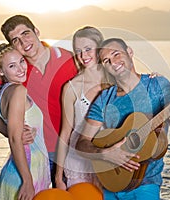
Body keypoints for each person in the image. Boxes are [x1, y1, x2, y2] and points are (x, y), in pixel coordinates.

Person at [75, 38, 170, 199]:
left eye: (116, 54)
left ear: (129, 52)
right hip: (110, 184)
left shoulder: (158, 85)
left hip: (146, 186)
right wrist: (104, 154)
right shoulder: (104, 98)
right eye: (106, 61)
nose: (113, 62)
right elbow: (81, 143)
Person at [0, 15, 78, 187]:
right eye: (16, 40)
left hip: (72, 152)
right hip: (40, 154)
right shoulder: (16, 71)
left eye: (26, 33)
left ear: (36, 31)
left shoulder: (69, 59)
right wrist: (12, 133)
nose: (23, 42)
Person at [0, 43, 50, 199]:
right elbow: (15, 138)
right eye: (12, 66)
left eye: (21, 61)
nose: (21, 68)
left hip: (24, 170)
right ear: (0, 71)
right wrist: (27, 180)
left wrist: (34, 131)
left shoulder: (5, 90)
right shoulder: (18, 91)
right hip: (26, 173)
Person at [55, 26, 112, 190]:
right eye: (78, 50)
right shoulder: (71, 88)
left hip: (108, 162)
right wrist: (58, 178)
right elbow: (65, 134)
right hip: (78, 164)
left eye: (88, 49)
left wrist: (152, 79)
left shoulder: (117, 80)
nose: (83, 56)